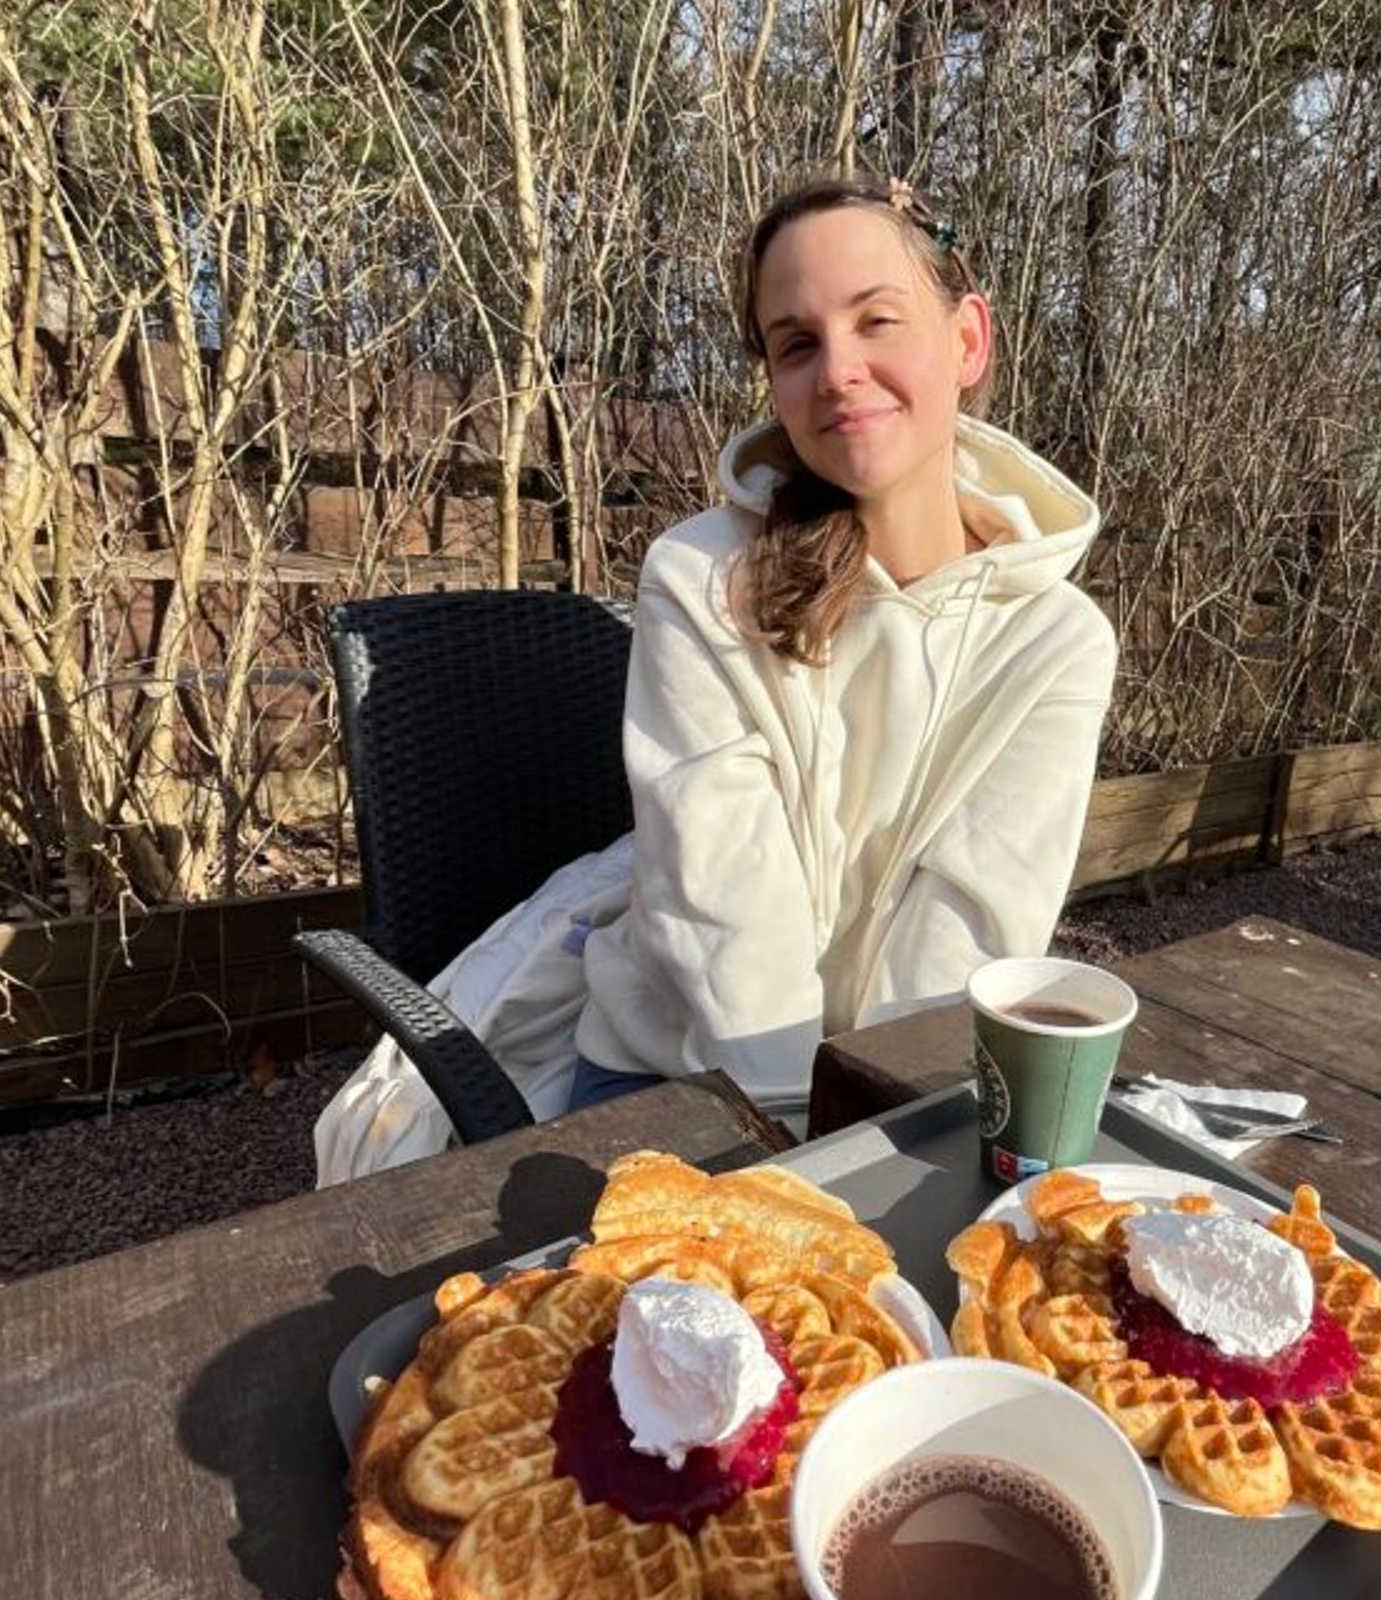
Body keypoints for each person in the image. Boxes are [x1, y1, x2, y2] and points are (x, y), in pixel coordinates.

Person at [314, 172, 1117, 1183]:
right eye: (797, 343)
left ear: (966, 340)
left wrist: (879, 1146)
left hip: (895, 1099)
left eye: (877, 321)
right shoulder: (702, 579)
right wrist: (800, 1166)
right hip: (681, 1075)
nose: (840, 370)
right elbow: (725, 909)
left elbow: (969, 925)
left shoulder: (1060, 641)